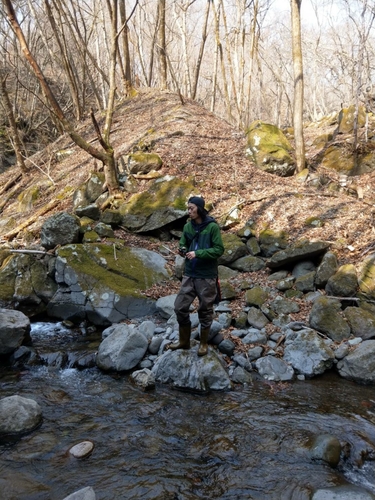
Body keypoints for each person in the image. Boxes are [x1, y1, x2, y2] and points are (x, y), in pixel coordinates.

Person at [171, 196, 224, 356]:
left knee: (205, 310)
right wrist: (182, 249)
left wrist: (198, 253)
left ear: (200, 209)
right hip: (189, 274)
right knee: (179, 307)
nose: (189, 211)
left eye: (192, 208)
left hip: (207, 276)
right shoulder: (188, 227)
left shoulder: (212, 227)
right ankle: (184, 341)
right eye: (188, 208)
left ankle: (203, 343)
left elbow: (219, 250)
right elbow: (183, 242)